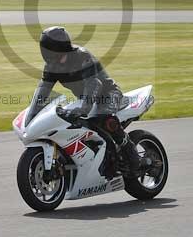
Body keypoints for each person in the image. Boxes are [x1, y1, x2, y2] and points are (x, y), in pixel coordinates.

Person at [28, 26, 142, 175]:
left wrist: (83, 108)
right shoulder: (51, 66)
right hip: (85, 99)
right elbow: (43, 89)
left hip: (108, 94)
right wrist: (32, 116)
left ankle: (133, 157)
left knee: (105, 121)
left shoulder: (82, 56)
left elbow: (94, 83)